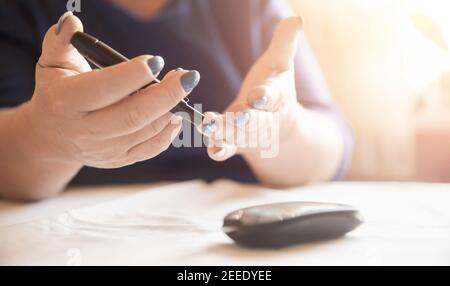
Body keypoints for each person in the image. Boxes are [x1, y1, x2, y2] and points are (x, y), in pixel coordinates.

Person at [0, 0, 352, 200]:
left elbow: (332, 152)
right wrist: (46, 137)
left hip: (240, 236)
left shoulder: (249, 6)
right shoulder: (24, 11)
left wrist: (281, 132)